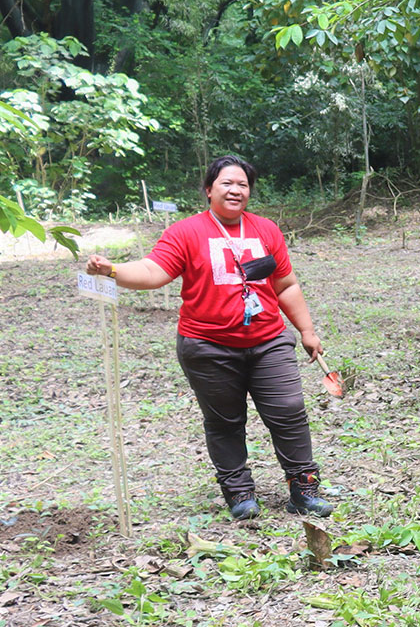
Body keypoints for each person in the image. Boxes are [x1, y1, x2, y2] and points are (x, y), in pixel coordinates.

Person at [83, 155, 333, 520]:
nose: (236, 190)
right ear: (208, 190)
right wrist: (114, 270)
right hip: (208, 346)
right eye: (227, 183)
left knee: (289, 411)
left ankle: (304, 489)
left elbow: (285, 284)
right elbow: (154, 270)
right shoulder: (186, 231)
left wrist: (307, 331)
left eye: (243, 185)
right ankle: (239, 493)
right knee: (225, 420)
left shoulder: (266, 230)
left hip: (268, 340)